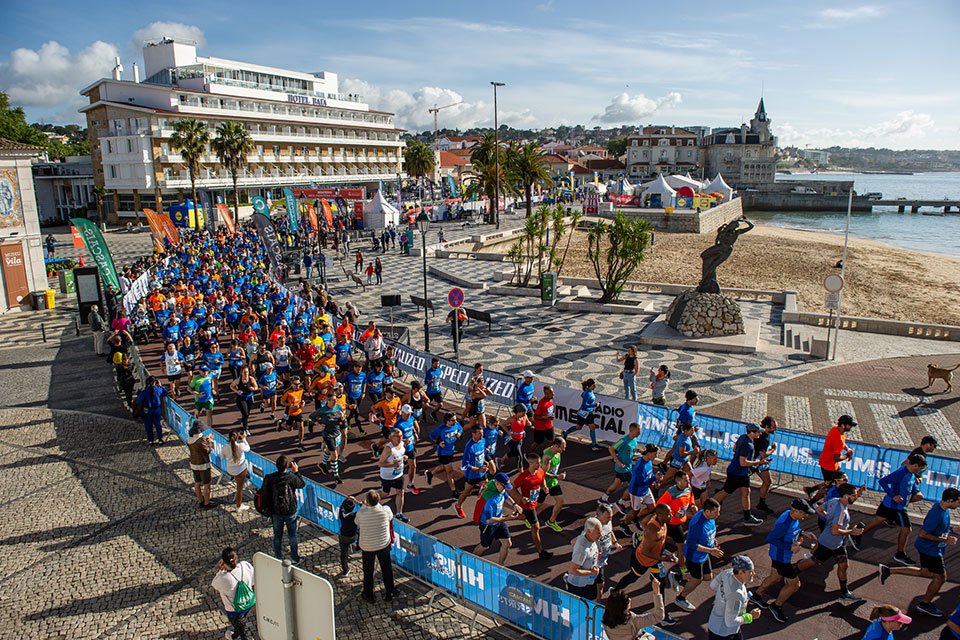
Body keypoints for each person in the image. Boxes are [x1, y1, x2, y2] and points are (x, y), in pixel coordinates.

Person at [879, 487, 960, 617]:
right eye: (958, 501)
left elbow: (932, 526)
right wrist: (945, 540)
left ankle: (888, 570)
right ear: (950, 500)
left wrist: (951, 529)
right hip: (931, 550)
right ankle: (925, 604)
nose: (959, 504)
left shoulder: (943, 509)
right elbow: (923, 534)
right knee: (941, 578)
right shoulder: (937, 513)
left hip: (929, 548)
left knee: (925, 572)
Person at [748, 498, 818, 623]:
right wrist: (790, 547)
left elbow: (790, 531)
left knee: (775, 577)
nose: (806, 515)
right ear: (796, 511)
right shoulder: (784, 523)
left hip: (780, 555)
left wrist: (802, 533)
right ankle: (776, 606)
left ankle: (756, 596)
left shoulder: (791, 516)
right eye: (804, 513)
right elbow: (771, 538)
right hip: (781, 558)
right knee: (795, 585)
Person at [793, 483, 864, 603]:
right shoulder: (841, 511)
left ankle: (844, 592)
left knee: (843, 565)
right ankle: (790, 572)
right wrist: (852, 531)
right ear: (846, 496)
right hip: (829, 543)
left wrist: (830, 519)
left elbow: (819, 510)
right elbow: (835, 531)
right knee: (813, 562)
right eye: (854, 496)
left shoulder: (834, 501)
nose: (855, 498)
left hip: (836, 544)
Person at [856, 453, 928, 565]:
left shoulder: (910, 473)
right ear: (915, 465)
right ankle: (900, 554)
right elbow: (883, 481)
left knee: (878, 520)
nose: (920, 471)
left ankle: (856, 534)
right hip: (896, 507)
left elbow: (911, 482)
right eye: (920, 468)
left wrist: (916, 490)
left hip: (890, 504)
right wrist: (893, 496)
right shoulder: (901, 473)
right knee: (907, 529)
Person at [712, 423, 768, 527]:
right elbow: (743, 462)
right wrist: (759, 463)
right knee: (725, 493)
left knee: (746, 492)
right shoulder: (748, 445)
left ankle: (747, 517)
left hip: (742, 473)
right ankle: (706, 507)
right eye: (758, 432)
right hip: (736, 473)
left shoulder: (743, 437)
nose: (760, 433)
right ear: (752, 433)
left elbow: (734, 449)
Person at [674, 498, 724, 613]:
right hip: (694, 556)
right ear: (707, 511)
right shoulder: (697, 524)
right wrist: (711, 551)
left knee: (708, 577)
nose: (718, 514)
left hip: (704, 554)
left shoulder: (710, 519)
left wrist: (713, 541)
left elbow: (709, 533)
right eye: (716, 512)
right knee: (697, 580)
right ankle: (680, 598)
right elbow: (691, 544)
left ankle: (678, 577)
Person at [508, 452, 554, 561]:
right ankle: (541, 552)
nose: (539, 465)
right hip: (528, 505)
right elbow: (512, 488)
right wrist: (520, 497)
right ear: (530, 463)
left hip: (533, 502)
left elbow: (542, 480)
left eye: (540, 463)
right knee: (536, 526)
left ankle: (503, 518)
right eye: (537, 463)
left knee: (523, 517)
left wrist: (545, 487)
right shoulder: (524, 476)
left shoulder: (540, 472)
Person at [805, 414, 857, 502]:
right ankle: (812, 501)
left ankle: (811, 490)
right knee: (829, 486)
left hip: (831, 464)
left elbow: (842, 443)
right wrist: (847, 455)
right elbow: (837, 458)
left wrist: (847, 449)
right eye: (849, 425)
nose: (851, 427)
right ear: (843, 425)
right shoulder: (838, 440)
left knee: (832, 483)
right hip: (829, 466)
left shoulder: (836, 429)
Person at [707, 555, 762, 640]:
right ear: (740, 572)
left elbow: (713, 585)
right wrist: (750, 617)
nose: (753, 574)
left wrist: (723, 598)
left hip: (716, 624)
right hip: (723, 633)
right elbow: (730, 622)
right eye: (750, 571)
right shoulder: (736, 595)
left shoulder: (727, 573)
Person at [264, 455, 306, 563]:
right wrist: (296, 472)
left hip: (276, 510)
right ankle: (295, 558)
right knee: (292, 535)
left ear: (276, 466)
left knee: (277, 535)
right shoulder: (291, 477)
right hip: (290, 510)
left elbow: (265, 492)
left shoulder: (270, 478)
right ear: (287, 466)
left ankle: (278, 557)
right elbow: (302, 484)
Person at [356, 489, 395, 603]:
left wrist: (363, 507)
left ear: (367, 501)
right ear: (379, 500)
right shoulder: (385, 511)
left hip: (368, 546)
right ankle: (390, 591)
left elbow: (356, 522)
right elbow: (390, 515)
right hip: (383, 544)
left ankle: (368, 594)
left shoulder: (361, 513)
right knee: (386, 569)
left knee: (368, 571)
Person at [473, 472, 519, 566]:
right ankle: (470, 558)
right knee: (484, 546)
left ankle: (500, 566)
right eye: (504, 486)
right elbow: (489, 520)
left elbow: (505, 495)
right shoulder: (489, 498)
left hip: (499, 519)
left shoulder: (499, 488)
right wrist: (507, 518)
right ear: (497, 483)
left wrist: (515, 504)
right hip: (488, 525)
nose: (505, 489)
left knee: (507, 544)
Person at [211, 548, 256, 640]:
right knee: (240, 625)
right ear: (236, 558)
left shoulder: (223, 578)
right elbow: (253, 581)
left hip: (234, 611)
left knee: (244, 632)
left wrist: (221, 570)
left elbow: (214, 584)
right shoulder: (245, 566)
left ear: (223, 562)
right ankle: (234, 636)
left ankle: (234, 636)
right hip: (248, 603)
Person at [619, 444, 660, 535]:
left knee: (652, 507)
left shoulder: (649, 461)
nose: (656, 456)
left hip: (645, 490)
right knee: (635, 510)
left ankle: (636, 518)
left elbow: (650, 474)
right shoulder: (640, 466)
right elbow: (641, 483)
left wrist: (654, 480)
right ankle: (624, 524)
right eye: (654, 454)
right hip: (636, 492)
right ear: (648, 453)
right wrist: (654, 479)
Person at [424, 412, 463, 497]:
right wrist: (438, 442)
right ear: (447, 421)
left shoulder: (456, 425)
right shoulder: (441, 429)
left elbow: (460, 428)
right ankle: (454, 491)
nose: (455, 422)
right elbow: (431, 435)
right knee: (450, 471)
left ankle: (430, 473)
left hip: (451, 451)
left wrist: (459, 433)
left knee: (443, 467)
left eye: (456, 420)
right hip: (443, 452)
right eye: (453, 420)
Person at [602, 422, 641, 506]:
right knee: (632, 485)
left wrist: (640, 452)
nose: (639, 434)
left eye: (640, 431)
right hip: (623, 468)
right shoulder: (623, 441)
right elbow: (611, 449)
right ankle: (621, 503)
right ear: (631, 431)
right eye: (637, 432)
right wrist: (618, 461)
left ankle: (603, 498)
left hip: (628, 467)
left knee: (617, 484)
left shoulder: (634, 439)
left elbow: (631, 450)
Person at [565, 518, 603, 599]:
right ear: (589, 531)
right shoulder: (582, 549)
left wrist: (596, 556)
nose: (601, 535)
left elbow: (573, 541)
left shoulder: (589, 537)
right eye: (598, 533)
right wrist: (591, 573)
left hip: (589, 582)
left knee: (591, 602)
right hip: (578, 586)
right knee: (578, 608)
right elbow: (572, 570)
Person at [455, 427, 489, 519]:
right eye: (479, 434)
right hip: (472, 475)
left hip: (482, 473)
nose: (482, 435)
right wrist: (478, 469)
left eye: (482, 433)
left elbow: (480, 454)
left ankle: (485, 511)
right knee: (467, 492)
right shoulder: (469, 447)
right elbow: (465, 465)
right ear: (473, 434)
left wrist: (485, 461)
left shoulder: (483, 441)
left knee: (487, 489)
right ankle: (458, 506)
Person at [378, 429, 410, 523]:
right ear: (391, 438)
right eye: (398, 436)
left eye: (401, 436)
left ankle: (399, 514)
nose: (400, 438)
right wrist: (393, 465)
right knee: (385, 493)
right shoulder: (388, 449)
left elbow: (400, 455)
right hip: (387, 476)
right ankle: (370, 499)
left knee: (400, 493)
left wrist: (404, 457)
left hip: (399, 475)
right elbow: (380, 464)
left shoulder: (402, 444)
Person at [563, 378, 601, 451]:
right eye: (594, 385)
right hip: (583, 413)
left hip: (589, 413)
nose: (595, 387)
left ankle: (594, 445)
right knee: (578, 427)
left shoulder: (589, 391)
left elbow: (582, 395)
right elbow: (585, 404)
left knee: (592, 427)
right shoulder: (587, 393)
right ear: (590, 386)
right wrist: (595, 405)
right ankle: (565, 433)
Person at [540, 437, 567, 533]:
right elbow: (543, 474)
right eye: (562, 448)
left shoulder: (556, 452)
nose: (564, 450)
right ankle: (527, 517)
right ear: (556, 446)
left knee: (560, 502)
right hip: (543, 485)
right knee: (537, 505)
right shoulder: (548, 457)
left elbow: (544, 450)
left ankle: (551, 521)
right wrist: (557, 477)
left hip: (553, 484)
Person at [753, 416, 779, 515]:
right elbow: (762, 454)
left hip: (759, 462)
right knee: (738, 484)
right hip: (756, 462)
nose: (776, 429)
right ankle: (721, 494)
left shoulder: (762, 434)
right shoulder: (764, 438)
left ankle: (762, 503)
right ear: (767, 427)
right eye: (774, 427)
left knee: (767, 481)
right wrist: (772, 450)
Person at [187, 420, 214, 509]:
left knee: (197, 483)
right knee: (206, 484)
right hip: (203, 463)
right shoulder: (200, 439)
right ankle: (207, 503)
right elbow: (207, 451)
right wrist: (209, 442)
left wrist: (205, 440)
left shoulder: (190, 438)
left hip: (194, 462)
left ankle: (200, 501)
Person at [135, 376, 168, 445]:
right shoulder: (158, 389)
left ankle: (150, 440)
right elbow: (166, 392)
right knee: (158, 425)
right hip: (157, 409)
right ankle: (160, 439)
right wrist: (160, 386)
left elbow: (138, 401)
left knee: (148, 426)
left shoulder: (145, 391)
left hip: (148, 410)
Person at [225, 430, 251, 511]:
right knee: (239, 489)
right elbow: (248, 448)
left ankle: (243, 481)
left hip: (230, 470)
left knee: (241, 478)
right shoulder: (241, 446)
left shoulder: (226, 447)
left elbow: (222, 456)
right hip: (240, 470)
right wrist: (244, 439)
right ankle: (238, 506)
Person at [230, 365, 258, 435]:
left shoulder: (251, 379)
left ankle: (243, 422)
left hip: (249, 397)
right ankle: (245, 429)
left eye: (247, 372)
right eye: (244, 372)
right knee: (245, 413)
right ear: (241, 373)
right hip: (241, 398)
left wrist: (253, 389)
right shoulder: (238, 380)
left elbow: (256, 387)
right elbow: (231, 386)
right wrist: (237, 391)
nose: (246, 374)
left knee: (247, 414)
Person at [529, 385, 555, 455]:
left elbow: (551, 410)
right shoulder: (542, 404)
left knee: (551, 440)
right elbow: (535, 416)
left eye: (553, 392)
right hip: (540, 427)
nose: (553, 394)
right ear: (546, 394)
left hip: (549, 425)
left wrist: (552, 414)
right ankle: (529, 454)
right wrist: (547, 418)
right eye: (551, 393)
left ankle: (543, 453)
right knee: (537, 442)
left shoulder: (550, 400)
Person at [337, 496, 358, 576]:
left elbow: (341, 507)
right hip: (353, 536)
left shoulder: (341, 514)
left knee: (343, 553)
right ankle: (358, 547)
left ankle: (345, 569)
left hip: (343, 536)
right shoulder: (354, 515)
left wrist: (347, 499)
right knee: (360, 533)